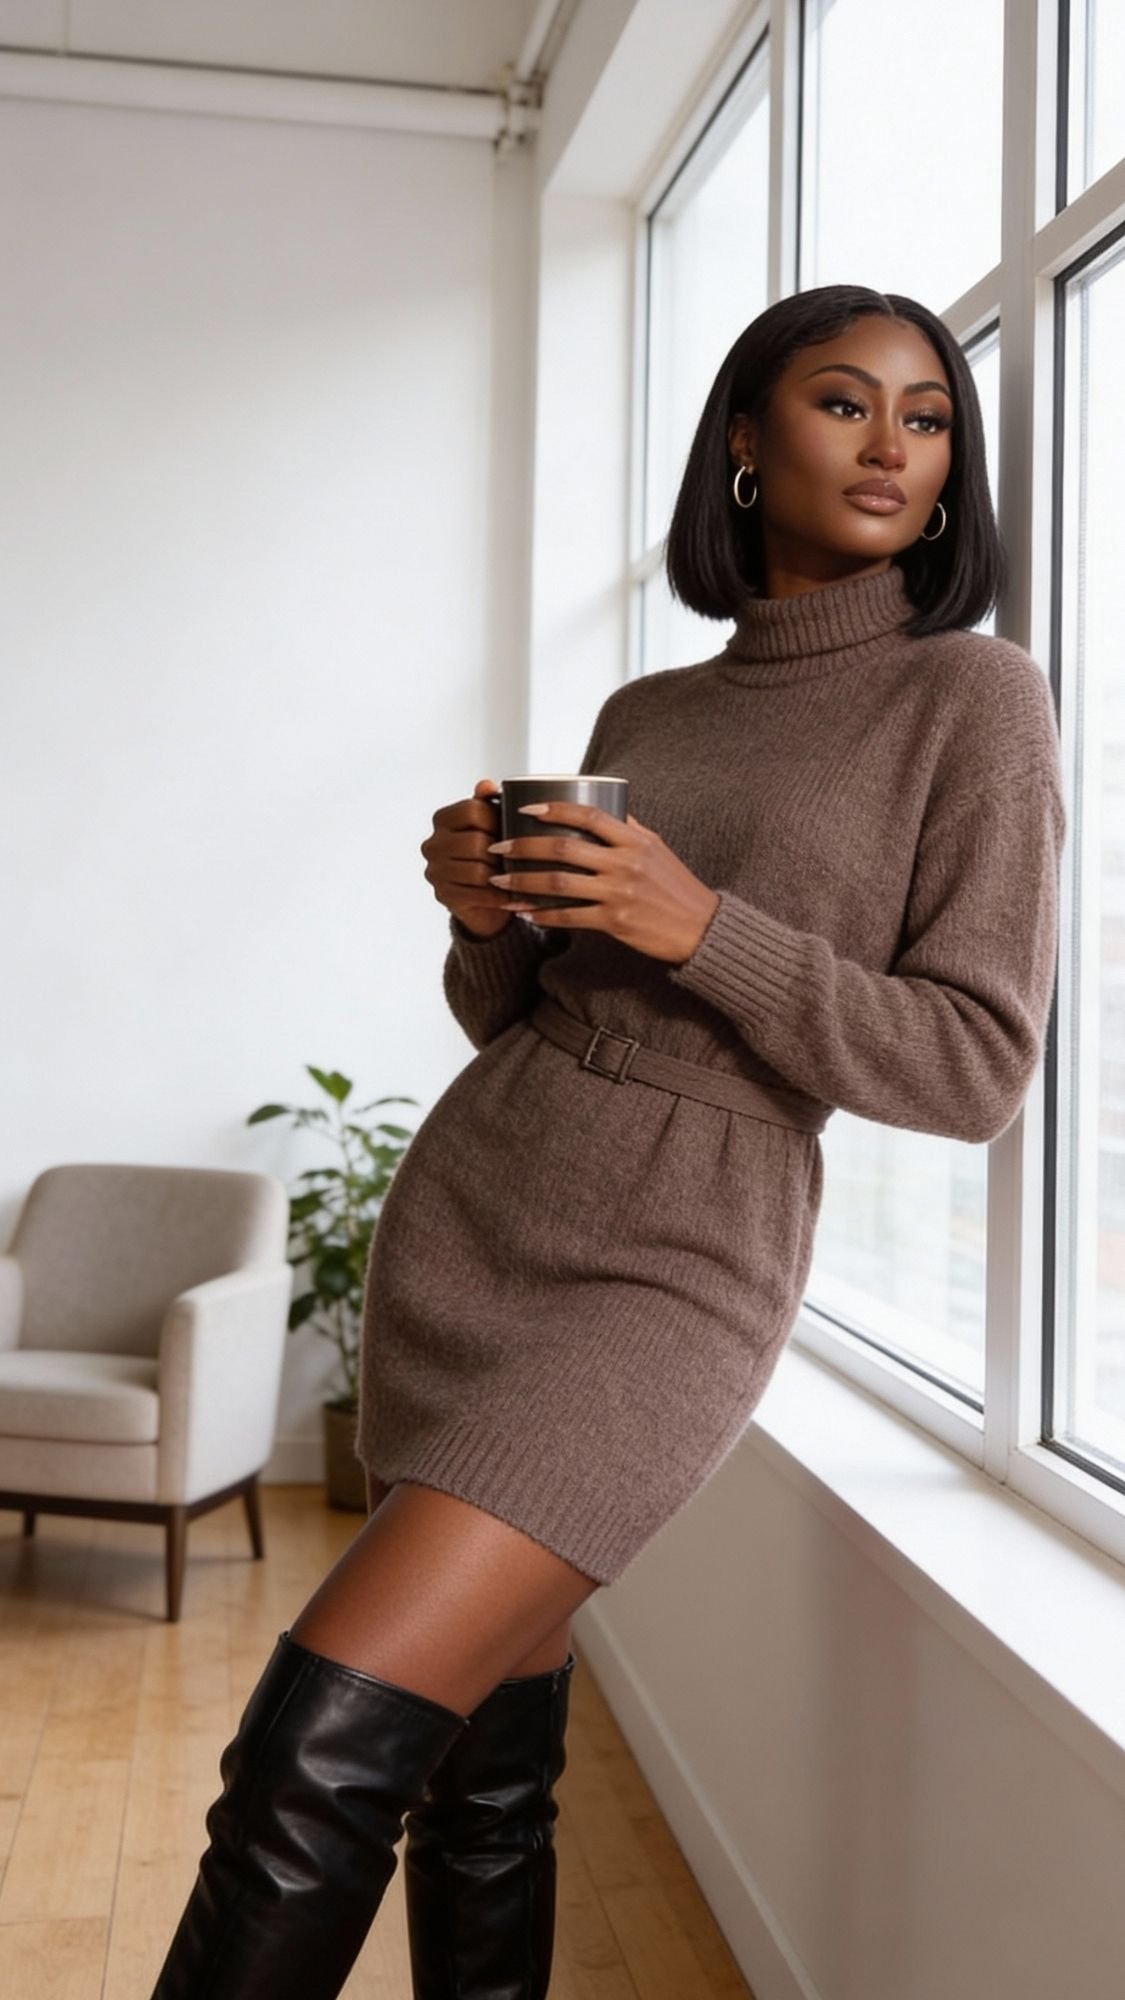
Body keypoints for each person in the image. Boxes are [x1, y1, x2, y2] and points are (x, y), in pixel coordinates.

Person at [150, 283, 1066, 1999]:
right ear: (741, 437)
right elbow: (524, 1017)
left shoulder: (974, 700)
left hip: (674, 1265)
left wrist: (695, 920)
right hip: (480, 1210)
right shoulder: (649, 711)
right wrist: (481, 908)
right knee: (475, 1781)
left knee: (304, 1763)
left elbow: (973, 1067)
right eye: (840, 403)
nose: (889, 445)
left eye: (925, 417)